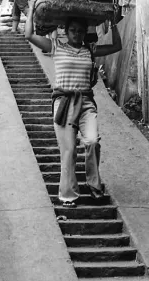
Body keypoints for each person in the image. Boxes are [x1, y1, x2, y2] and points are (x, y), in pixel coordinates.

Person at [25, 0, 122, 207]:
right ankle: (68, 195)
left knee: (92, 141)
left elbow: (117, 46)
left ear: (85, 32)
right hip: (63, 103)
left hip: (86, 103)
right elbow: (29, 36)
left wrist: (112, 24)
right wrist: (32, 9)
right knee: (68, 150)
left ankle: (94, 185)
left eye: (80, 31)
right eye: (73, 30)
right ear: (66, 31)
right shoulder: (56, 47)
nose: (76, 34)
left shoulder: (90, 50)